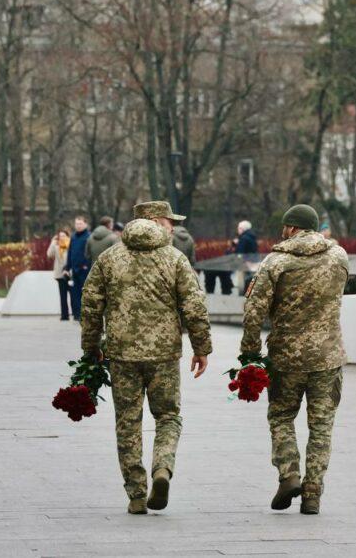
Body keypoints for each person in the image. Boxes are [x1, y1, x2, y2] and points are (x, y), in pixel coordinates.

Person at [81, 201, 212, 515]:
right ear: (154, 221)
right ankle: (162, 469)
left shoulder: (109, 258)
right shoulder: (174, 258)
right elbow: (194, 305)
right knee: (168, 417)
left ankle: (137, 494)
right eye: (168, 221)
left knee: (127, 424)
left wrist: (90, 349)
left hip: (121, 354)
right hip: (164, 355)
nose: (171, 227)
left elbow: (90, 304)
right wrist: (201, 347)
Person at [240, 204, 348, 516]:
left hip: (286, 357)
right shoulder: (339, 256)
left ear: (291, 228)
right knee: (322, 425)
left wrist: (250, 355)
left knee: (282, 417)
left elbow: (254, 311)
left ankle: (289, 475)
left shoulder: (276, 262)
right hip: (328, 356)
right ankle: (313, 493)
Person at [64, 216, 92, 321]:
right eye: (76, 224)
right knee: (74, 294)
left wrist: (86, 265)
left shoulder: (88, 236)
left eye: (80, 224)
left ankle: (84, 314)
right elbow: (70, 252)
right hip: (74, 270)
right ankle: (76, 314)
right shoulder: (73, 237)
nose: (78, 226)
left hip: (84, 269)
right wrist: (67, 267)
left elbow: (89, 253)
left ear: (85, 224)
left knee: (84, 292)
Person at [46, 228, 72, 321]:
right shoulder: (56, 246)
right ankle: (64, 315)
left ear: (67, 236)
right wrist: (53, 242)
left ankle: (76, 314)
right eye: (60, 236)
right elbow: (49, 254)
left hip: (70, 274)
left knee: (73, 295)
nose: (62, 238)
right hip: (60, 274)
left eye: (64, 236)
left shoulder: (71, 245)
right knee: (63, 296)